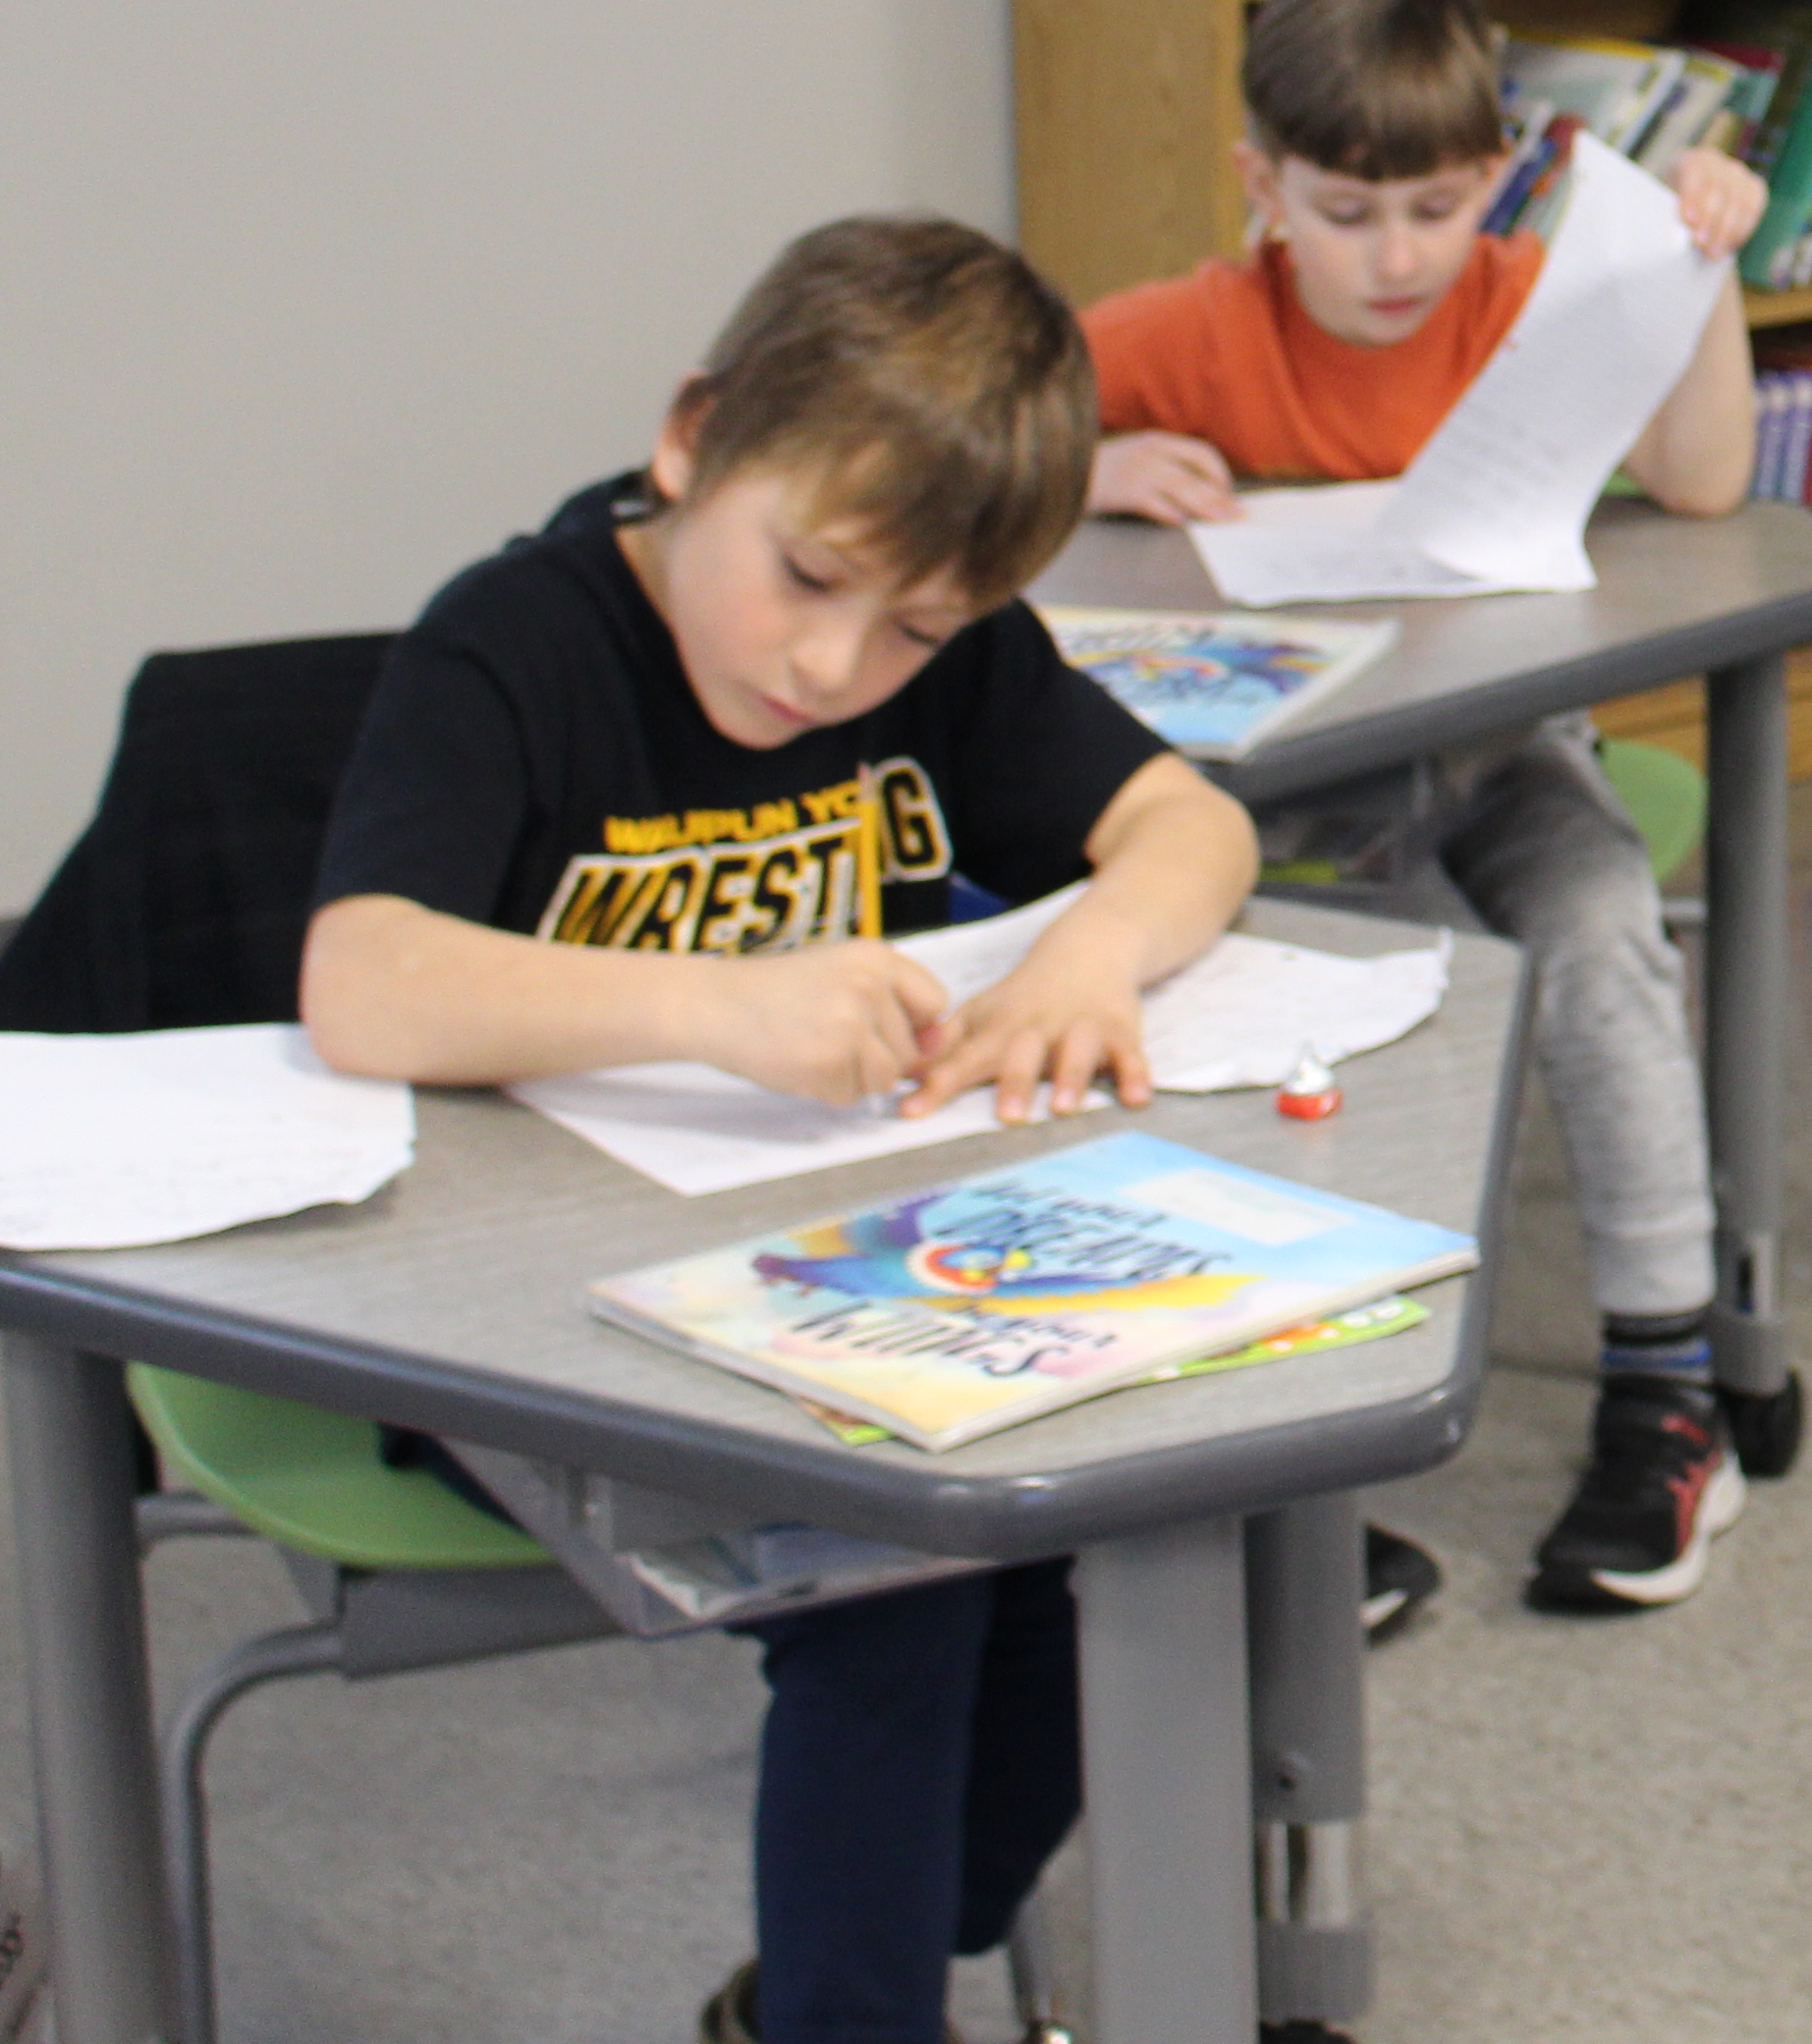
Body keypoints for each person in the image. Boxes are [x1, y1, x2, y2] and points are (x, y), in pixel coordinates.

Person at [299, 214, 1261, 2044]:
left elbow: (1189, 825)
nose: (833, 668)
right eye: (806, 577)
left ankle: (885, 1951)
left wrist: (1093, 959)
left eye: (909, 628)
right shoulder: (515, 641)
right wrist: (710, 1005)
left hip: (823, 1289)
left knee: (1106, 1535)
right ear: (691, 442)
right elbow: (364, 977)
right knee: (892, 1588)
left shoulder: (948, 658)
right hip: (518, 1321)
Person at [1078, 0, 1765, 1620]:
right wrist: (1087, 465)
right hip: (1290, 805)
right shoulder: (1189, 328)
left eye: (1437, 209)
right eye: (1345, 211)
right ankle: (1302, 1451)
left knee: (1603, 938)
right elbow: (971, 451)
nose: (1393, 259)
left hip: (1504, 754)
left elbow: (1704, 481)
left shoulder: (1533, 296)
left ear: (1498, 183)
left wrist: (1702, 271)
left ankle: (1669, 1388)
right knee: (1329, 1008)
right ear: (1264, 187)